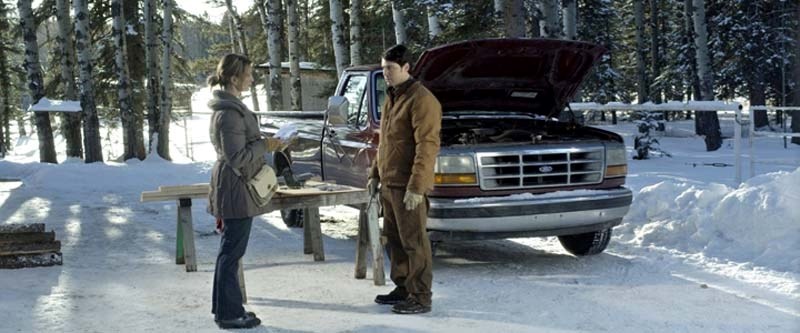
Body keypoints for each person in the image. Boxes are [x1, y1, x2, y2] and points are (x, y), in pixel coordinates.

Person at [207, 53, 287, 329]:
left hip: (235, 185)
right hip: (235, 187)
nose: (252, 79)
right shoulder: (229, 114)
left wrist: (265, 143)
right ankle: (230, 314)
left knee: (230, 250)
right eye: (248, 74)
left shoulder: (231, 108)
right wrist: (266, 146)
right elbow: (237, 156)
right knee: (232, 252)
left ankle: (226, 309)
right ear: (233, 78)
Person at [368, 44, 442, 315]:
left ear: (407, 68)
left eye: (390, 68)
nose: (385, 72)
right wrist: (375, 174)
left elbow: (427, 146)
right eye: (383, 67)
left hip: (408, 185)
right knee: (395, 240)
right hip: (390, 183)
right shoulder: (392, 97)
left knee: (414, 241)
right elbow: (385, 142)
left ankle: (421, 295)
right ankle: (403, 287)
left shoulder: (422, 100)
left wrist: (417, 186)